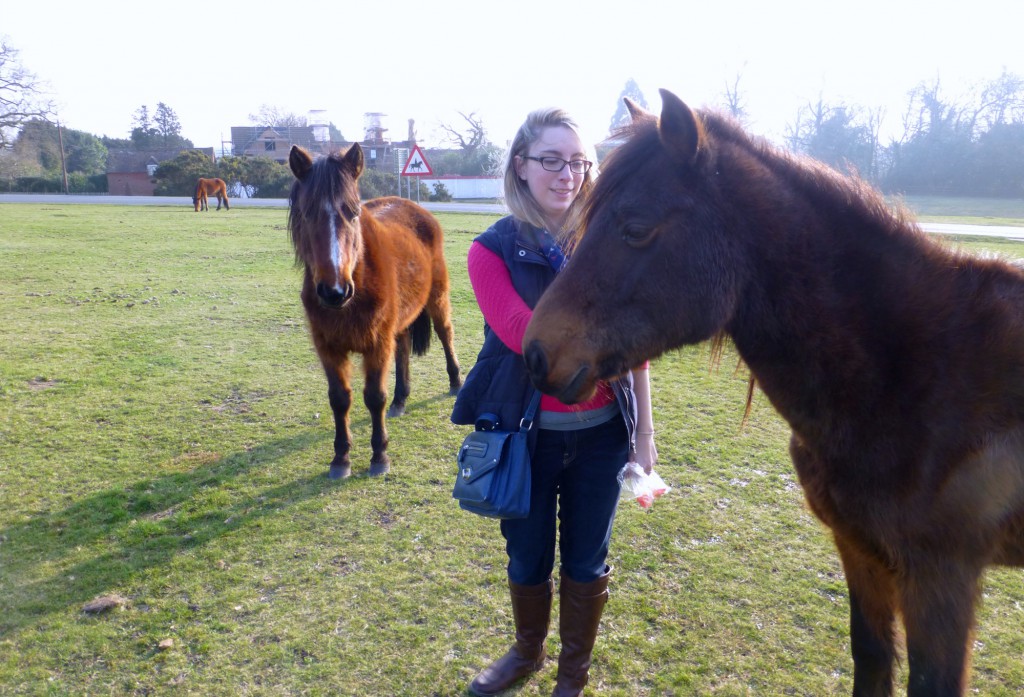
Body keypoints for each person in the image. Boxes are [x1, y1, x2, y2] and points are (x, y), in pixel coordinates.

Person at [451, 108, 658, 697]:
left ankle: (574, 675)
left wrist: (643, 432)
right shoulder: (490, 251)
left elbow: (637, 343)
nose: (566, 173)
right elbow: (526, 336)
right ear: (521, 165)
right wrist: (610, 324)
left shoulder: (610, 242)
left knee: (587, 562)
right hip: (525, 437)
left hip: (602, 436)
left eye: (578, 161)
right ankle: (526, 653)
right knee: (527, 557)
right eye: (550, 159)